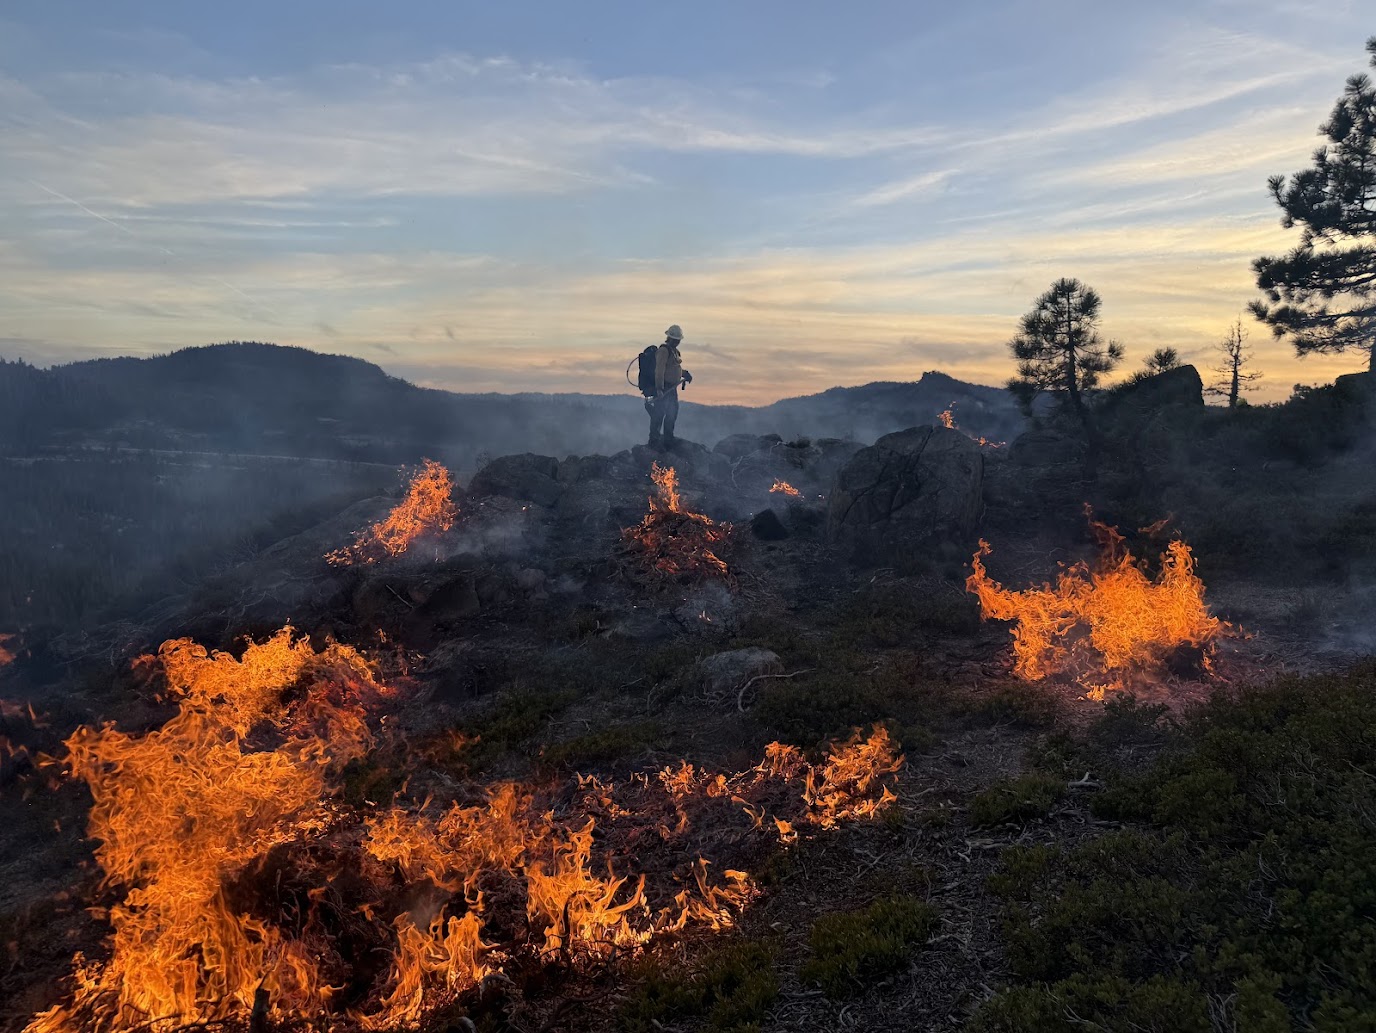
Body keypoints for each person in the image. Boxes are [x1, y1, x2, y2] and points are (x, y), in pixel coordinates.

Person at [646, 324, 692, 449]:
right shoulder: (663, 351)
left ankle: (668, 439)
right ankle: (654, 440)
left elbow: (673, 369)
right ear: (670, 338)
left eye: (678, 340)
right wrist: (659, 388)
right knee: (659, 414)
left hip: (672, 389)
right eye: (676, 339)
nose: (677, 342)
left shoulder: (674, 352)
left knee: (672, 413)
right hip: (664, 388)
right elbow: (659, 370)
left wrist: (684, 374)